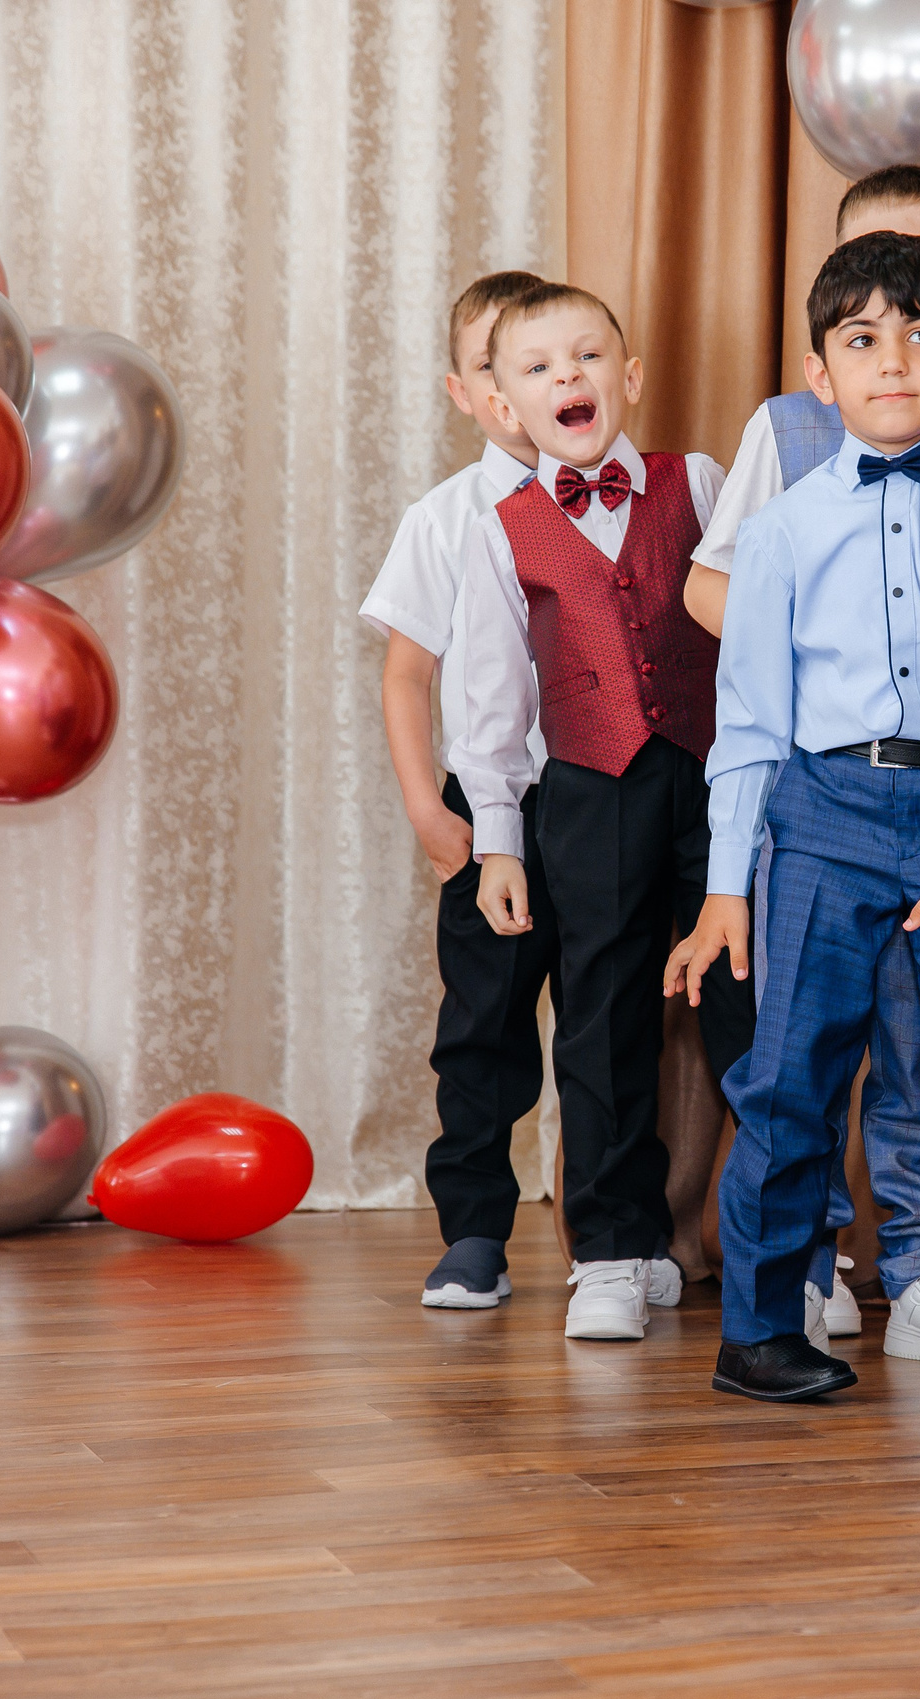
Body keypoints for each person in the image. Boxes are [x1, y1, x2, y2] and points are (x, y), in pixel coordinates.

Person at [668, 232, 920, 1412]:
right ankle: (757, 1327)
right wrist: (728, 883)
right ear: (818, 373)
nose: (892, 360)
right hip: (822, 816)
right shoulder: (784, 528)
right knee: (787, 1076)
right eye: (862, 339)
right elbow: (747, 720)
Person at [454, 280, 756, 1344]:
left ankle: (787, 1244)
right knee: (603, 1017)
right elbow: (488, 692)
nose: (566, 379)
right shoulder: (499, 529)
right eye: (536, 368)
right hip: (587, 788)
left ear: (627, 378)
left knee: (747, 1004)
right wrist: (498, 839)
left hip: (718, 778)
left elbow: (754, 627)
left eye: (587, 358)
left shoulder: (703, 479)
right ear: (503, 406)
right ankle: (615, 1251)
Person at [358, 270, 556, 1313]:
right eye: (492, 363)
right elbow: (406, 673)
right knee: (483, 1025)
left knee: (614, 1025)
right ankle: (475, 1228)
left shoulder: (634, 494)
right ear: (464, 387)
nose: (513, 383)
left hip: (602, 799)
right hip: (488, 808)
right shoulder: (443, 518)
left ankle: (617, 1235)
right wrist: (429, 813)